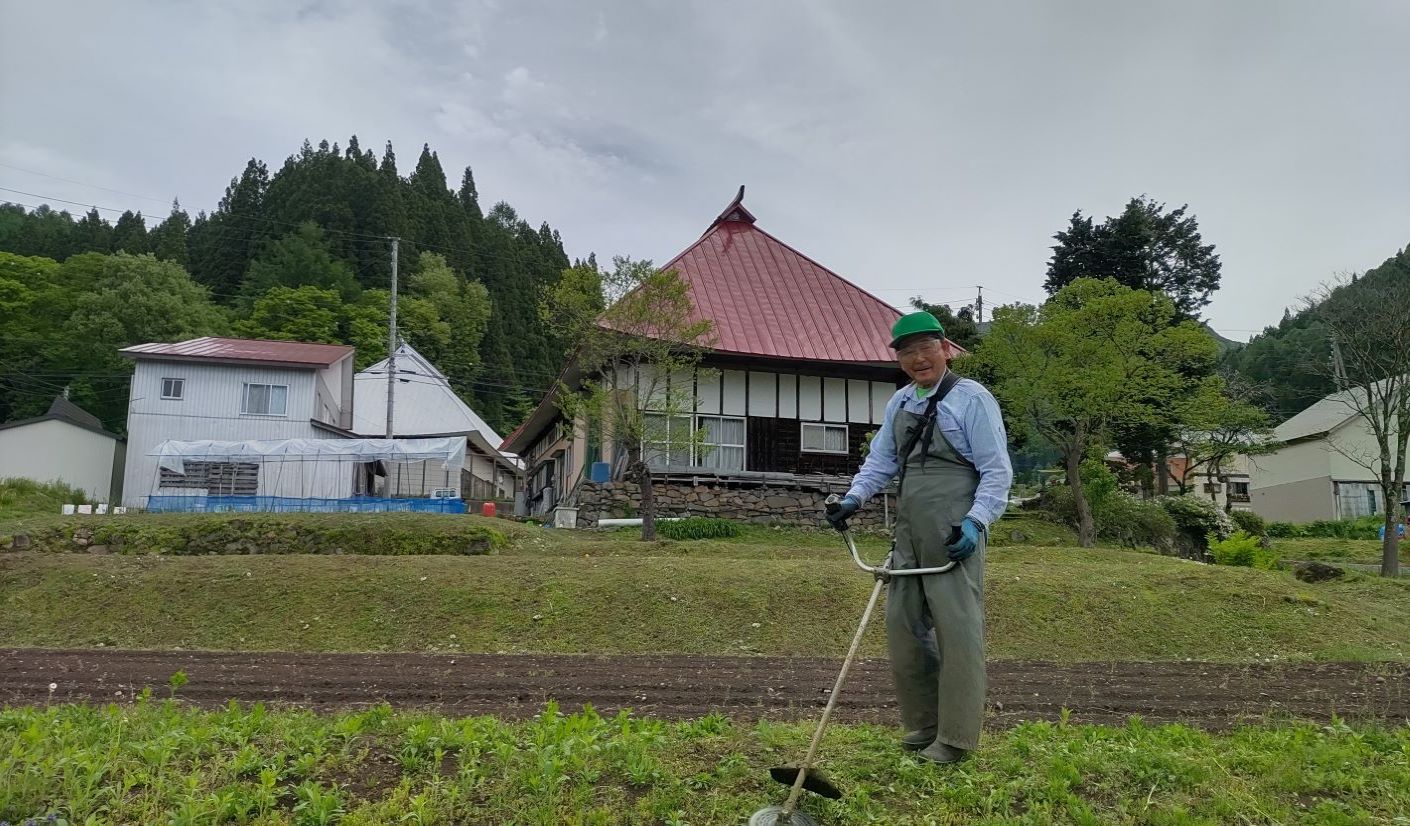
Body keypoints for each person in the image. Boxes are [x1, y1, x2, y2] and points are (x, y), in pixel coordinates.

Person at [826, 310, 1013, 764]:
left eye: (925, 348)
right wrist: (853, 499)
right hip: (908, 529)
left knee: (958, 632)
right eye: (907, 352)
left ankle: (955, 738)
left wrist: (976, 523)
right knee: (902, 626)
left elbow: (996, 471)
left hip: (954, 530)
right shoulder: (901, 402)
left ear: (945, 349)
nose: (917, 359)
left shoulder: (972, 399)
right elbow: (881, 462)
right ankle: (924, 725)